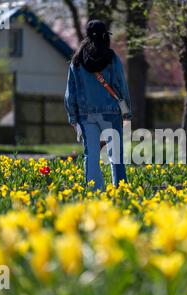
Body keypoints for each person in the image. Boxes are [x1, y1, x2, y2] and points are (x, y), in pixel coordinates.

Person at [64, 20, 132, 191]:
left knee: (91, 155)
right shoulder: (111, 57)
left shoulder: (77, 60)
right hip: (110, 113)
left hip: (86, 115)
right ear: (104, 36)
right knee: (115, 154)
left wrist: (73, 116)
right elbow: (120, 84)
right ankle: (120, 190)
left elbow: (70, 91)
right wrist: (126, 111)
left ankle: (95, 191)